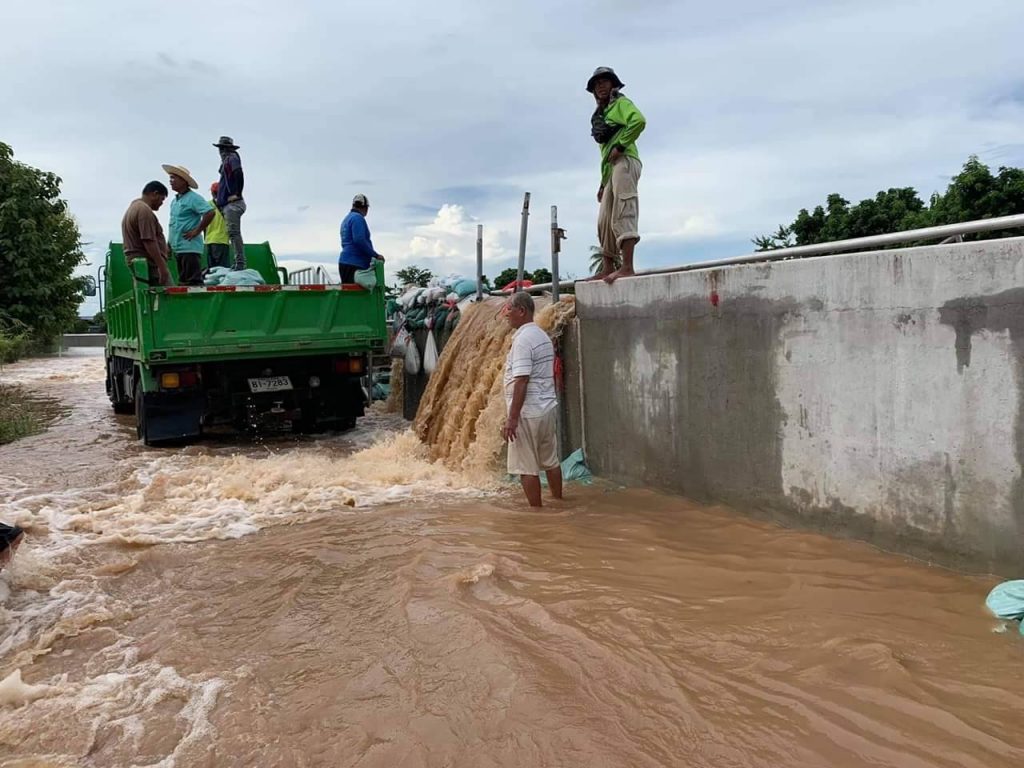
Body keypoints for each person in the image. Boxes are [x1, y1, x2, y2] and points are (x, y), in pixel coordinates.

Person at [501, 292, 563, 507]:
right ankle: (559, 501)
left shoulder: (522, 340)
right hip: (546, 408)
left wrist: (512, 419)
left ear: (521, 311)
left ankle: (536, 515)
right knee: (551, 461)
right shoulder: (541, 335)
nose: (506, 314)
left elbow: (521, 380)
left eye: (509, 309)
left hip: (527, 413)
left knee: (526, 467)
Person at [587, 66, 646, 283]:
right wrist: (603, 183)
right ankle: (608, 267)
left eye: (604, 81)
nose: (600, 86)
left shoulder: (620, 103)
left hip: (625, 160)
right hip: (611, 168)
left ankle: (627, 266)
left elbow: (638, 121)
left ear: (613, 84)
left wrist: (621, 146)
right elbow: (606, 152)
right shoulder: (601, 116)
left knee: (623, 208)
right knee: (604, 219)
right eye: (596, 84)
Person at [163, 164, 214, 286]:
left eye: (173, 178)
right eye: (170, 178)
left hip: (189, 248)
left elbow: (210, 212)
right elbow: (173, 224)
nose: (170, 181)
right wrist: (169, 244)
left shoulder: (193, 198)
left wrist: (197, 231)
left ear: (183, 180)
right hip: (178, 248)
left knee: (192, 283)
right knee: (184, 282)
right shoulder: (175, 201)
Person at [121, 181, 172, 286]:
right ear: (155, 194)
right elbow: (149, 241)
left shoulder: (134, 207)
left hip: (140, 262)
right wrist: (162, 267)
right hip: (149, 265)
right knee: (169, 294)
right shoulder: (144, 211)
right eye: (162, 199)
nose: (162, 203)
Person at [213, 136, 246, 270]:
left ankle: (240, 263)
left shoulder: (232, 158)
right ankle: (238, 262)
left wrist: (237, 193)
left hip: (233, 204)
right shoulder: (227, 161)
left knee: (234, 233)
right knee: (233, 233)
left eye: (222, 148)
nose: (221, 151)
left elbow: (238, 173)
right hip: (228, 204)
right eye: (220, 148)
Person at [338, 193, 384, 283]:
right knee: (365, 290)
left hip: (345, 263)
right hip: (355, 265)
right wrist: (376, 255)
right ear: (365, 208)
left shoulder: (346, 219)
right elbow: (359, 240)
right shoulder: (358, 218)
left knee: (349, 291)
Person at [205, 182, 230, 269]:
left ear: (212, 193)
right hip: (222, 240)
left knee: (212, 270)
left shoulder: (207, 205)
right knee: (222, 269)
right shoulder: (227, 205)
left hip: (209, 240)